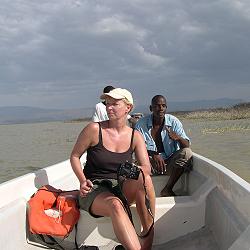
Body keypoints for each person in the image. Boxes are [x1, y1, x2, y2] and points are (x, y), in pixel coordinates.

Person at [70, 88, 155, 250]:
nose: (109, 107)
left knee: (145, 178)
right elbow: (75, 156)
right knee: (115, 204)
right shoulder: (94, 130)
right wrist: (82, 181)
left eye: (114, 104)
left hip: (121, 187)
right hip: (95, 190)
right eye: (107, 104)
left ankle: (148, 239)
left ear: (128, 108)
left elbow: (146, 168)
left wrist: (134, 170)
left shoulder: (134, 136)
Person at [135, 95, 192, 197]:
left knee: (187, 153)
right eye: (157, 106)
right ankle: (143, 194)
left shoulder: (174, 121)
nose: (160, 109)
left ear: (166, 107)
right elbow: (136, 147)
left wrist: (178, 138)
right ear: (151, 108)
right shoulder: (141, 124)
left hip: (169, 164)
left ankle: (167, 189)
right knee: (132, 166)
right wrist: (154, 154)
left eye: (163, 106)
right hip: (150, 164)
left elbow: (186, 145)